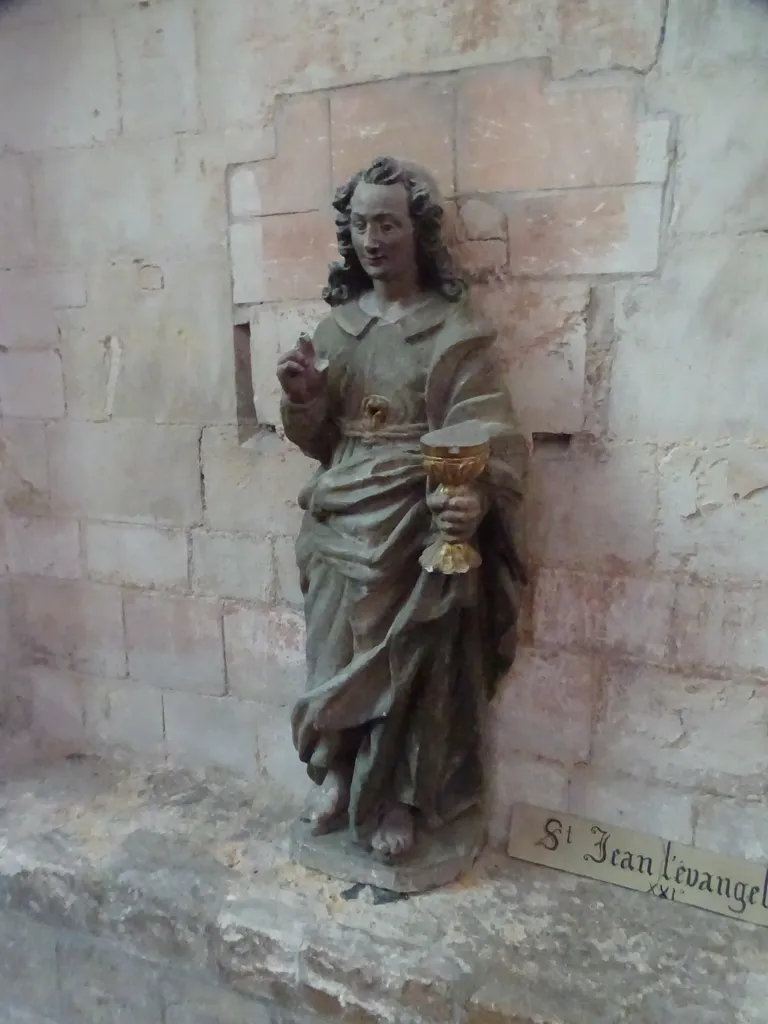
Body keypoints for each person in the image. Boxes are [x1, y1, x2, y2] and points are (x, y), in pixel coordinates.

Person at [276, 156, 526, 861]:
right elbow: (321, 443)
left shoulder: (453, 332)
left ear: (417, 231)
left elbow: (492, 431)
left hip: (417, 515)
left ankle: (398, 800)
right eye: (358, 224)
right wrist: (304, 400)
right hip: (340, 514)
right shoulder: (336, 332)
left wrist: (470, 497)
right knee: (334, 652)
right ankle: (335, 771)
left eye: (386, 222)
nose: (371, 238)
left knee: (412, 661)